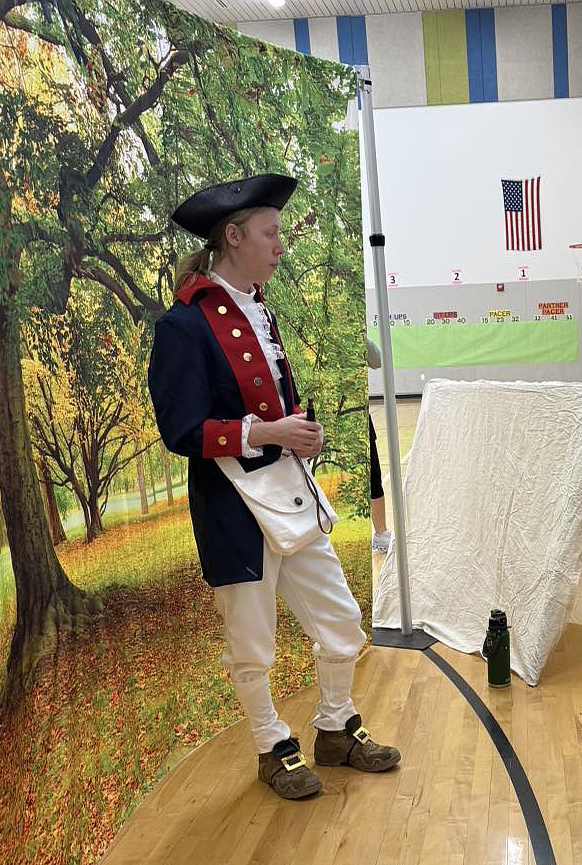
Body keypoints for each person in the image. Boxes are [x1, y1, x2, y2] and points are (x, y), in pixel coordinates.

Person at [148, 174, 400, 801]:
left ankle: (336, 729)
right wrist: (270, 431)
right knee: (252, 646)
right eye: (271, 233)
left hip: (286, 493)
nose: (280, 245)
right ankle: (271, 747)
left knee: (341, 622)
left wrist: (293, 435)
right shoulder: (183, 326)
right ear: (233, 237)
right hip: (232, 508)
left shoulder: (258, 308)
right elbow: (182, 430)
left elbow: (269, 411)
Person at [365, 337, 393, 553]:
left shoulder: (352, 336)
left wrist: (361, 337)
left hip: (359, 417)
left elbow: (376, 361)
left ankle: (381, 533)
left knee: (374, 475)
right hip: (321, 418)